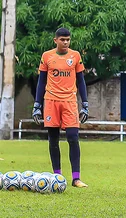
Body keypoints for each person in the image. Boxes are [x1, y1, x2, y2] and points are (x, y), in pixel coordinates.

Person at [32, 27, 89, 188]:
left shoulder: (75, 56)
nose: (65, 42)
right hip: (51, 101)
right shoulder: (47, 56)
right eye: (62, 39)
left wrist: (85, 104)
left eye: (68, 40)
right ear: (55, 40)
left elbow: (81, 81)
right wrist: (37, 105)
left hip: (70, 102)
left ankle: (76, 178)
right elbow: (41, 82)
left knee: (73, 137)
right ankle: (57, 177)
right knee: (53, 140)